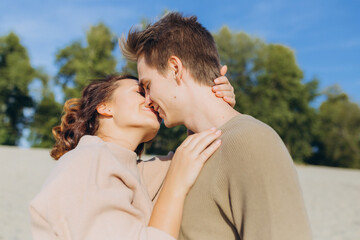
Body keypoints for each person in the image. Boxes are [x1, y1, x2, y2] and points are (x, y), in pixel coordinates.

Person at [120, 12, 312, 240]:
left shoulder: (252, 141)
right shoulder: (185, 158)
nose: (147, 99)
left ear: (174, 68)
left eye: (148, 85)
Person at [29, 73, 236, 240]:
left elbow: (208, 147)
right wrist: (176, 185)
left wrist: (214, 100)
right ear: (105, 107)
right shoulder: (87, 160)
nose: (152, 99)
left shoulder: (133, 170)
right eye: (140, 91)